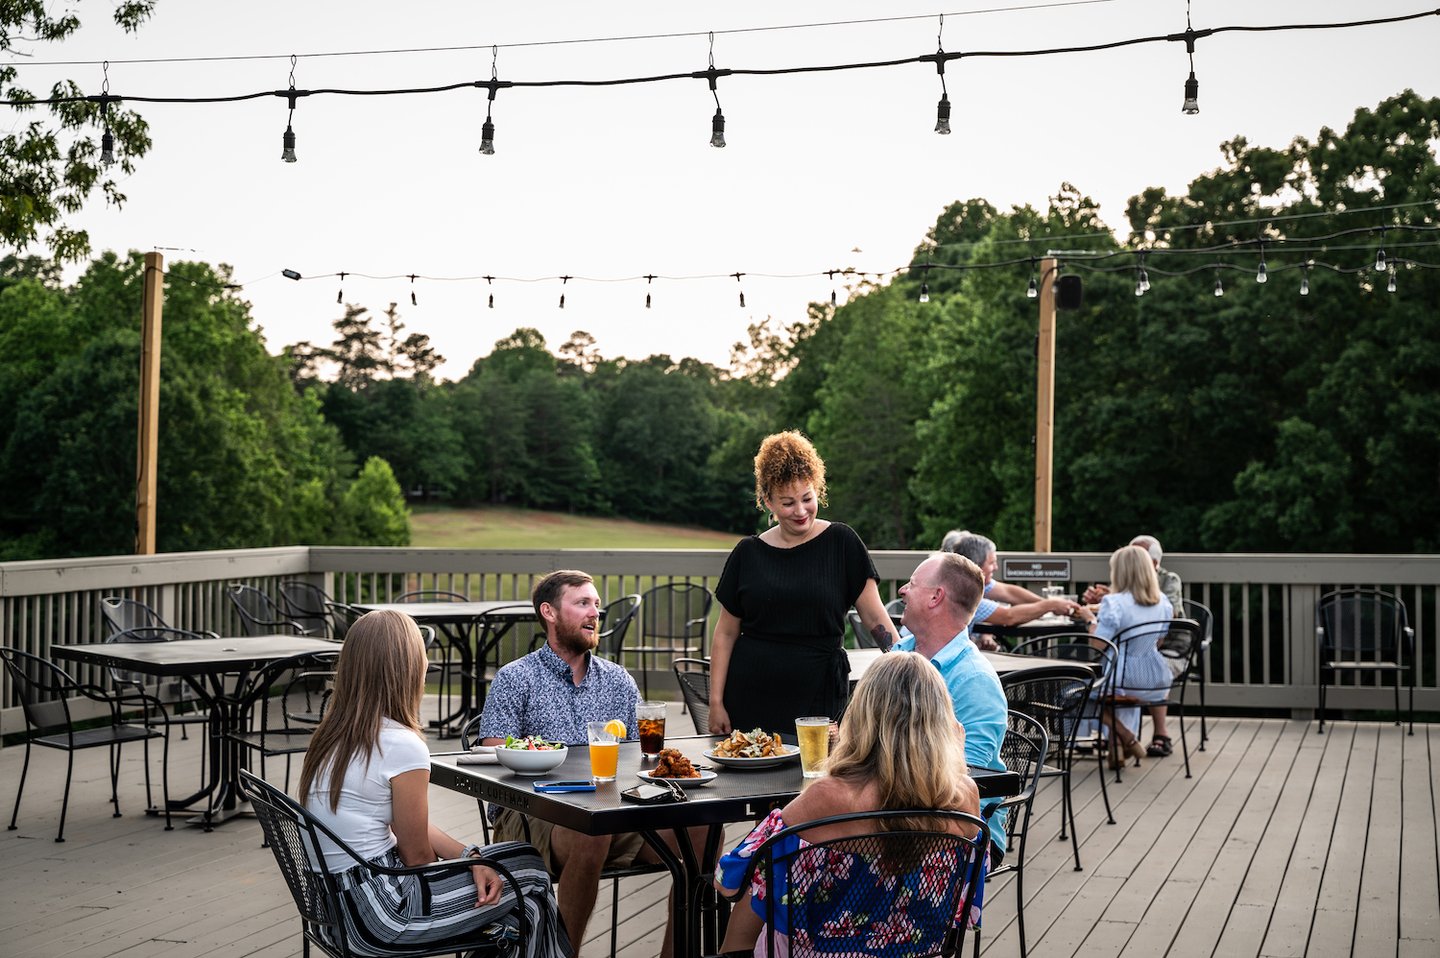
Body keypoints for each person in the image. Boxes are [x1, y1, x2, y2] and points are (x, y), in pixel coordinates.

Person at [298, 609, 568, 958]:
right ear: (407, 669)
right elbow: (417, 857)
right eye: (422, 656)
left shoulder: (335, 736)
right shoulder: (400, 745)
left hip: (332, 910)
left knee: (525, 911)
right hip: (381, 916)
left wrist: (469, 857)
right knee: (529, 868)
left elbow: (406, 826)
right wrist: (470, 866)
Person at [478, 569, 700, 958]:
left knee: (703, 828)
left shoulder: (618, 680)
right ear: (549, 612)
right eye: (582, 603)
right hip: (530, 816)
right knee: (590, 828)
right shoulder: (516, 678)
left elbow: (638, 755)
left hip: (612, 810)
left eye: (596, 604)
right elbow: (496, 752)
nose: (594, 612)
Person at [713, 650, 984, 957]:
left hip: (817, 952)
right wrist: (955, 759)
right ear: (942, 721)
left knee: (758, 898)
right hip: (920, 951)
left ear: (863, 715)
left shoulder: (829, 795)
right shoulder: (964, 796)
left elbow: (731, 880)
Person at [709, 431, 899, 735]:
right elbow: (726, 632)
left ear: (818, 491)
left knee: (816, 777)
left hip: (818, 697)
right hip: (749, 696)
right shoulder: (748, 552)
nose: (800, 511)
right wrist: (716, 701)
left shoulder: (842, 542)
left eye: (807, 499)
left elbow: (876, 619)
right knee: (750, 780)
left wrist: (908, 671)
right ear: (767, 501)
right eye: (787, 502)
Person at [893, 551, 1011, 865]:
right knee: (790, 845)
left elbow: (964, 780)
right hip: (890, 812)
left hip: (962, 832)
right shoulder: (899, 653)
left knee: (810, 857)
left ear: (935, 597)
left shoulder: (975, 680)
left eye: (912, 584)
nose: (902, 590)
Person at [1081, 534, 1185, 757]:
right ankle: (1116, 746)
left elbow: (1097, 646)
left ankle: (1125, 736)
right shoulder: (1163, 603)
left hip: (1123, 679)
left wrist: (1090, 619)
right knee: (1103, 692)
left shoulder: (1114, 603)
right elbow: (1158, 640)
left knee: (1074, 693)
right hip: (1155, 679)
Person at [944, 530, 1083, 649]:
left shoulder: (962, 579)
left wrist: (1052, 605)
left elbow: (1009, 593)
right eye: (992, 563)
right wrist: (1050, 605)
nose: (996, 567)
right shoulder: (961, 592)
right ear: (976, 566)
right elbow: (1009, 616)